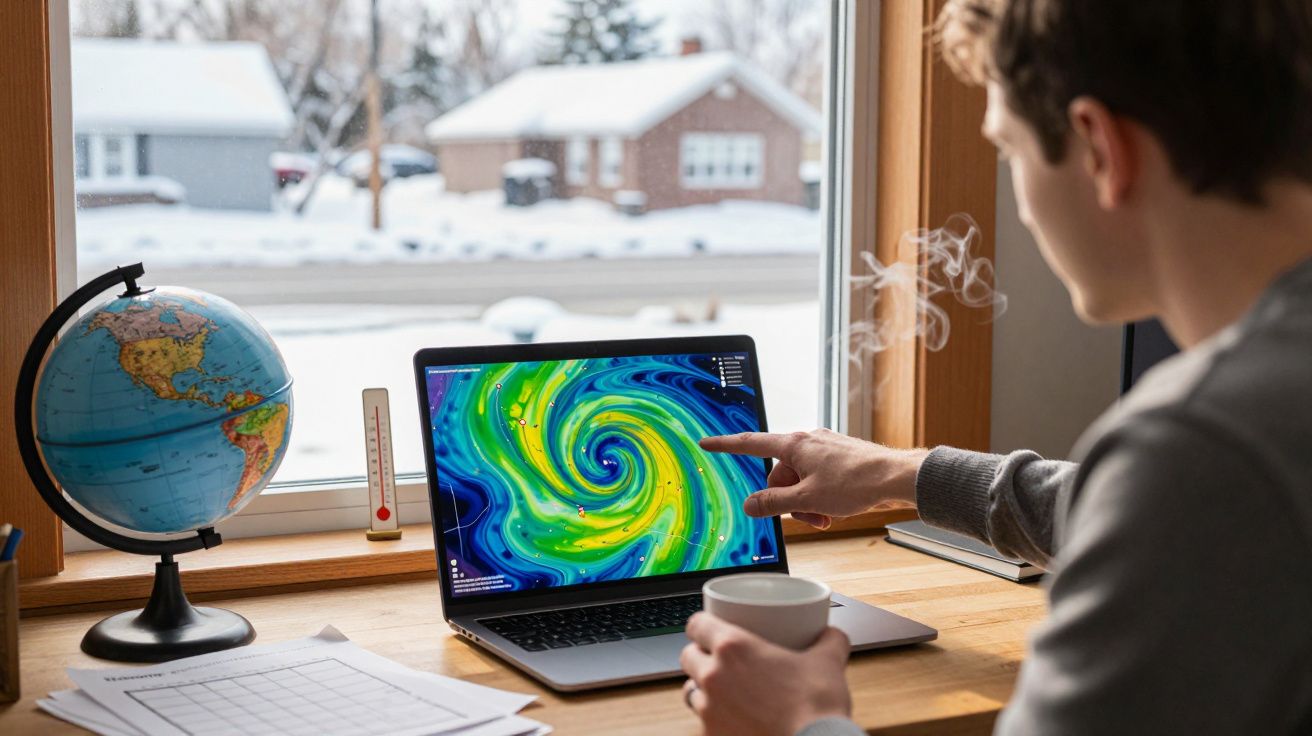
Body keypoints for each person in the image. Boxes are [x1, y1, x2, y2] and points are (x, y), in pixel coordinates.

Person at [679, 0, 1312, 733]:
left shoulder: (1202, 447)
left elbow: (1178, 499)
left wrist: (801, 722)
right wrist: (899, 473)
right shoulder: (1245, 436)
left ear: (1101, 148)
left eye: (1008, 149)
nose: (1025, 205)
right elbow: (1145, 517)